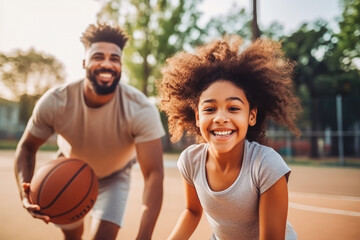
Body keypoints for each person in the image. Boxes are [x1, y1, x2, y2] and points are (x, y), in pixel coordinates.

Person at [14, 22, 165, 240]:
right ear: (84, 62)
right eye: (98, 57)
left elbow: (153, 174)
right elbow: (27, 147)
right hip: (68, 170)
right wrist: (24, 191)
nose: (107, 64)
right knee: (73, 237)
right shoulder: (56, 101)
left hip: (115, 175)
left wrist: (145, 236)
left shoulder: (140, 108)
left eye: (114, 58)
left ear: (121, 66)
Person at [157, 36, 301, 240]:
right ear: (198, 117)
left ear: (251, 116)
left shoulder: (267, 166)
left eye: (233, 108)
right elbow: (192, 211)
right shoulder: (190, 161)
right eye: (209, 109)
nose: (221, 118)